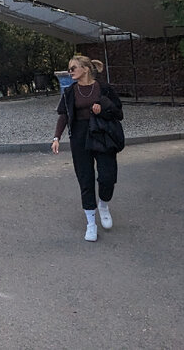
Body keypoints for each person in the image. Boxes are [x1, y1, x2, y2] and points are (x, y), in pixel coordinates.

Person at [51, 54, 124, 241]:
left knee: (107, 176)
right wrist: (56, 138)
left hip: (102, 133)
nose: (70, 72)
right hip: (79, 136)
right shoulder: (69, 92)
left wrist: (103, 106)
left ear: (85, 69)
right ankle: (91, 223)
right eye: (69, 68)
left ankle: (104, 204)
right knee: (85, 179)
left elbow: (119, 112)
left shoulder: (104, 88)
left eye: (73, 68)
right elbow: (64, 116)